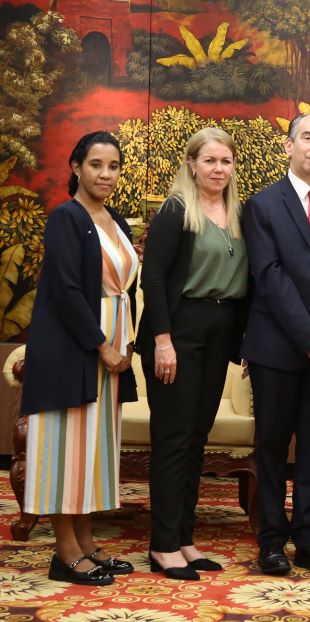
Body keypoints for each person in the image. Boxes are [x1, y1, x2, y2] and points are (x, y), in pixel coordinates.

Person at [20, 131, 138, 585]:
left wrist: (126, 343)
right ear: (76, 167)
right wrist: (103, 345)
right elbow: (68, 292)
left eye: (112, 166)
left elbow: (126, 289)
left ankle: (87, 543)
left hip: (110, 356)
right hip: (74, 350)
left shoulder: (116, 221)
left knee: (90, 455)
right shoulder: (66, 218)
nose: (105, 174)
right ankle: (64, 552)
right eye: (95, 165)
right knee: (62, 453)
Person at [242, 112, 310, 578]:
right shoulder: (262, 205)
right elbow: (269, 278)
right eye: (307, 138)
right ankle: (271, 541)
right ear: (288, 146)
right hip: (279, 348)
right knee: (271, 445)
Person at [137, 127, 249, 580]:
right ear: (191, 164)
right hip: (177, 334)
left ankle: (184, 538)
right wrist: (162, 341)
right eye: (209, 161)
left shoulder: (237, 212)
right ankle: (161, 545)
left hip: (219, 332)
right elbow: (154, 279)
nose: (218, 169)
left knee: (196, 439)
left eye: (225, 162)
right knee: (173, 440)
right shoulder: (175, 211)